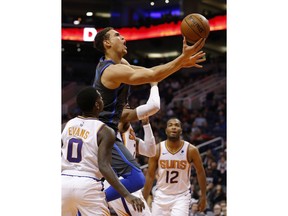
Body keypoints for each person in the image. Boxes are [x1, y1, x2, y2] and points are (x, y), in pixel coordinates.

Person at [92, 27, 206, 201]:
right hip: (102, 131)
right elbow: (153, 75)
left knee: (100, 178)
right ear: (107, 43)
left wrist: (181, 63)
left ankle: (90, 204)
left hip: (103, 129)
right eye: (117, 36)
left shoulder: (121, 64)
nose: (123, 38)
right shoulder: (112, 71)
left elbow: (151, 72)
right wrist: (181, 59)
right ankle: (94, 204)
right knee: (136, 178)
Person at [61, 87, 145, 215]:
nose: (102, 100)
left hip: (63, 183)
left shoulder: (66, 125)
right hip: (88, 184)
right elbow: (104, 166)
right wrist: (127, 195)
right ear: (97, 105)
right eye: (100, 98)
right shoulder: (105, 131)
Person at [104, 82, 160, 216]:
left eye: (128, 104)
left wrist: (146, 124)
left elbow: (150, 151)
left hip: (127, 182)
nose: (128, 107)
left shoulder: (129, 130)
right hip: (121, 182)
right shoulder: (115, 124)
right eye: (124, 105)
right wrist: (154, 84)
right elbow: (154, 106)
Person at [142, 117, 207, 216]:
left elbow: (200, 172)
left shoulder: (191, 150)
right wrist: (144, 198)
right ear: (166, 130)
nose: (173, 127)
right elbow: (150, 176)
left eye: (177, 125)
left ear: (181, 130)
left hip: (181, 196)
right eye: (170, 125)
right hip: (161, 195)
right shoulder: (158, 149)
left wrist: (203, 196)